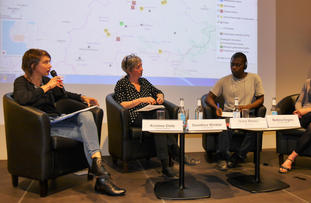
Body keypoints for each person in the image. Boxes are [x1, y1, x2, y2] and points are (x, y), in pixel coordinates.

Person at [13, 49, 126, 196]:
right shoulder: (21, 82)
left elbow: (64, 96)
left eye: (49, 61)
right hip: (42, 127)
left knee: (86, 116)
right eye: (46, 62)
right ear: (33, 65)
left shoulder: (47, 80)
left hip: (57, 122)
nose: (50, 65)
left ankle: (99, 171)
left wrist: (82, 97)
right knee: (89, 136)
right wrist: (47, 87)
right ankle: (102, 179)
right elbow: (23, 99)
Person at [113, 54, 199, 177]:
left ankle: (166, 164)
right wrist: (141, 100)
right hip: (134, 115)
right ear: (130, 70)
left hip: (151, 113)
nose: (142, 68)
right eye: (139, 66)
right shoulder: (122, 84)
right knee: (159, 119)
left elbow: (158, 92)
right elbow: (122, 104)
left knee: (161, 115)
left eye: (141, 65)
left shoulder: (144, 82)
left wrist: (160, 97)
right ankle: (176, 153)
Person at [205, 52, 264, 170]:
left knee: (257, 127)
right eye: (232, 65)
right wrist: (216, 107)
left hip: (246, 114)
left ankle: (238, 156)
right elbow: (208, 98)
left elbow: (261, 99)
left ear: (245, 65)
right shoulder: (224, 80)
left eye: (238, 65)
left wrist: (248, 106)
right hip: (229, 114)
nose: (234, 68)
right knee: (225, 126)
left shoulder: (254, 78)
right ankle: (223, 157)